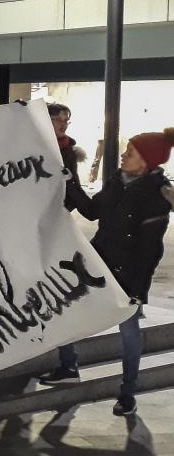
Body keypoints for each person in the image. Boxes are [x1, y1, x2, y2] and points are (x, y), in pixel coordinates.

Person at [39, 128, 174, 417]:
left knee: (129, 333)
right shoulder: (115, 182)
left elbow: (150, 252)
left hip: (126, 277)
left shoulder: (156, 197)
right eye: (125, 151)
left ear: (147, 161)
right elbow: (90, 211)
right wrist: (69, 179)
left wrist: (137, 291)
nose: (123, 156)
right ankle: (68, 367)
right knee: (66, 310)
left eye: (131, 153)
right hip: (97, 263)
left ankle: (127, 393)